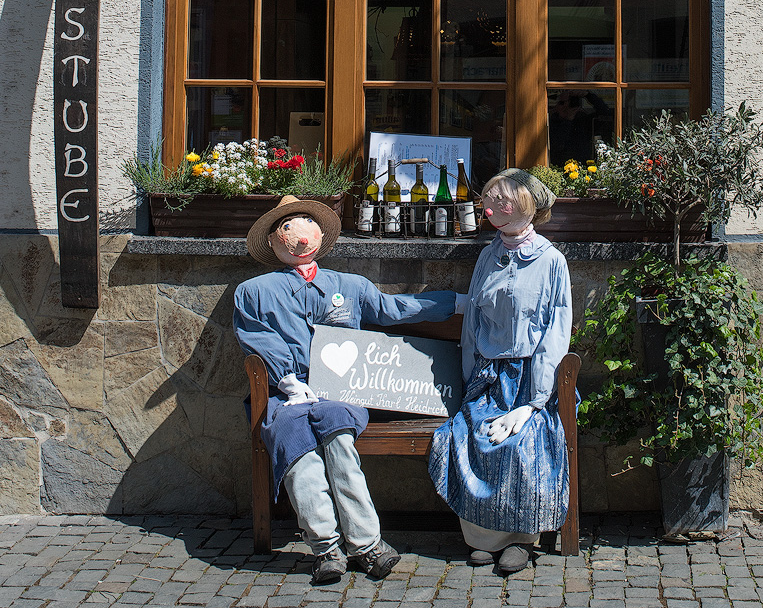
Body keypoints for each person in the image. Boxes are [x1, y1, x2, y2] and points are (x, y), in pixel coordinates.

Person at [233, 195, 459, 584]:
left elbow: (393, 310)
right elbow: (256, 337)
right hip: (285, 399)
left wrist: (454, 303)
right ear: (272, 242)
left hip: (340, 392)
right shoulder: (253, 292)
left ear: (321, 235)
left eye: (307, 226)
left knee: (338, 438)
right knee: (294, 444)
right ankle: (325, 548)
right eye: (287, 229)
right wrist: (288, 380)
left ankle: (367, 545)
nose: (299, 238)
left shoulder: (349, 286)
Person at [428, 169, 573, 574]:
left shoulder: (551, 261)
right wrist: (471, 381)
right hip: (489, 378)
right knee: (471, 434)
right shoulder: (487, 256)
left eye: (502, 199)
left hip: (531, 380)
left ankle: (522, 540)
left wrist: (532, 403)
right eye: (489, 198)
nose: (491, 206)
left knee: (526, 442)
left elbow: (555, 333)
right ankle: (482, 538)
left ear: (527, 205)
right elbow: (473, 321)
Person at [548, 89, 610, 166]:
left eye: (570, 103)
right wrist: (568, 121)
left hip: (584, 167)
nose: (565, 107)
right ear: (556, 106)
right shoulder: (552, 121)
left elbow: (605, 113)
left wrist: (588, 95)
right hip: (559, 166)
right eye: (561, 103)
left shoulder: (584, 120)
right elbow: (557, 145)